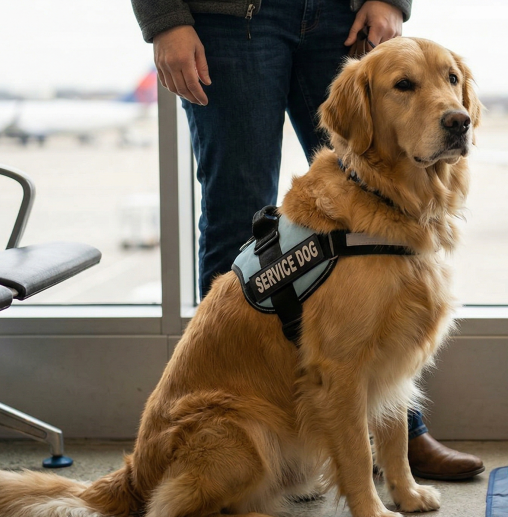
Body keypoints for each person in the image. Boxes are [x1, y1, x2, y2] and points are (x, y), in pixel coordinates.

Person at [131, 0, 484, 481]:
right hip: (228, 15)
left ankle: (397, 435)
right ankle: (253, 437)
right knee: (239, 224)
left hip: (342, 12)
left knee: (385, 218)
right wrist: (164, 19)